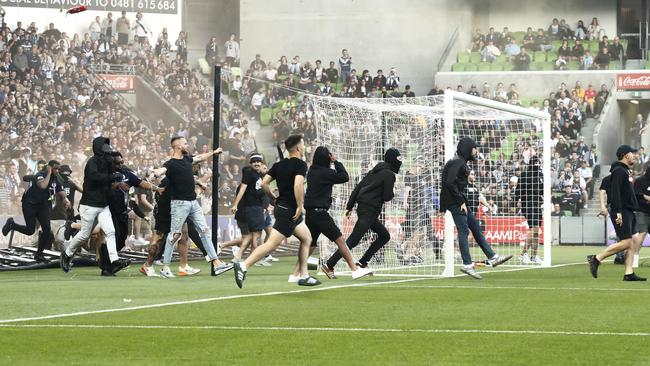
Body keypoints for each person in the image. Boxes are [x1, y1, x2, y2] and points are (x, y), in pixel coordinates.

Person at [233, 135, 320, 288]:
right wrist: (300, 205)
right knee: (271, 244)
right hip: (290, 211)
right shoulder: (300, 164)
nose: (304, 146)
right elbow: (298, 185)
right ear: (298, 148)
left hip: (284, 208)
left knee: (307, 238)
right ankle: (244, 265)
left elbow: (264, 183)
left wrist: (273, 197)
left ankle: (304, 275)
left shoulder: (279, 165)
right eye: (303, 144)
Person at [440, 138, 512, 279]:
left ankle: (492, 257)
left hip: (457, 201)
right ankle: (467, 265)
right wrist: (459, 202)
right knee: (464, 230)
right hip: (456, 202)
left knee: (475, 227)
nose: (476, 151)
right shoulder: (457, 162)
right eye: (474, 148)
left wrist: (445, 205)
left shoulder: (458, 162)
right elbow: (448, 182)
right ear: (468, 149)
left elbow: (446, 181)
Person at [159, 137, 231, 278]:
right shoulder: (170, 164)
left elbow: (200, 157)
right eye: (185, 143)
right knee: (175, 235)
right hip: (179, 204)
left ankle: (216, 263)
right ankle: (165, 268)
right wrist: (156, 172)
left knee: (204, 231)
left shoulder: (187, 159)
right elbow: (162, 169)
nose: (188, 145)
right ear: (178, 146)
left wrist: (214, 152)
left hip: (193, 203)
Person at [323, 148, 402, 272]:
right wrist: (394, 192)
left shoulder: (374, 171)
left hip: (365, 209)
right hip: (369, 211)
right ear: (393, 160)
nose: (400, 162)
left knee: (384, 236)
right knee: (353, 240)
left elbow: (358, 188)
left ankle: (363, 262)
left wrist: (349, 207)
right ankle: (329, 265)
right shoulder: (389, 174)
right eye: (398, 159)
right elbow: (387, 197)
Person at [60, 137, 130, 274]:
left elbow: (110, 180)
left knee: (110, 231)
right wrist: (112, 177)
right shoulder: (91, 162)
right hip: (89, 205)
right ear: (98, 149)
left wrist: (116, 181)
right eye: (105, 149)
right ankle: (67, 254)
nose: (108, 153)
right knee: (84, 234)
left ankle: (114, 260)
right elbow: (94, 177)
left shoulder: (108, 162)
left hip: (103, 205)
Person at [308, 146, 373, 279]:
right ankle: (355, 270)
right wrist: (336, 162)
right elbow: (344, 177)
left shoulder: (312, 171)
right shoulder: (325, 172)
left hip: (310, 213)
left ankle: (297, 272)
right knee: (340, 240)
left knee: (309, 244)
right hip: (320, 213)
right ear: (327, 157)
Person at [588, 145, 646, 281]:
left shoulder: (622, 171)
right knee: (626, 243)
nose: (634, 156)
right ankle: (596, 258)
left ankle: (629, 273)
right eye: (632, 153)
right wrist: (618, 211)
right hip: (623, 211)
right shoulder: (620, 171)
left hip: (629, 211)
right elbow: (615, 193)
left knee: (632, 242)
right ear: (626, 155)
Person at [99, 152, 159, 277]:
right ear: (111, 163)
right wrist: (114, 186)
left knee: (121, 241)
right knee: (113, 237)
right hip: (109, 211)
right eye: (117, 163)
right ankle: (106, 266)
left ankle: (106, 258)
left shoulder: (127, 173)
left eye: (121, 162)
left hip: (123, 212)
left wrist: (157, 188)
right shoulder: (105, 174)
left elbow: (142, 183)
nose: (120, 164)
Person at [2, 160, 70, 263]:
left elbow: (60, 191)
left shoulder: (56, 178)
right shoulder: (40, 175)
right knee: (30, 230)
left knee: (47, 230)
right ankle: (12, 224)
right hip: (30, 203)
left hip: (43, 206)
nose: (57, 171)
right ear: (49, 167)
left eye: (58, 169)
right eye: (55, 168)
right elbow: (43, 186)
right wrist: (48, 172)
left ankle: (39, 255)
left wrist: (65, 199)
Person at [231, 153, 266, 264]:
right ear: (250, 163)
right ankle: (255, 259)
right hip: (252, 207)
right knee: (256, 234)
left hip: (256, 207)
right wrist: (235, 204)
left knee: (252, 235)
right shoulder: (249, 173)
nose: (256, 163)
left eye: (258, 161)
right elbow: (242, 189)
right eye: (254, 161)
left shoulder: (258, 175)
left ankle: (238, 256)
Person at [516, 156, 544, 264]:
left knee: (537, 231)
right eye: (535, 163)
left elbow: (543, 190)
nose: (537, 165)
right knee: (534, 229)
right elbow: (518, 191)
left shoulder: (541, 176)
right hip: (527, 204)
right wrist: (514, 203)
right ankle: (523, 254)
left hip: (537, 204)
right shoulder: (524, 175)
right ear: (531, 164)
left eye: (539, 163)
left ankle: (534, 256)